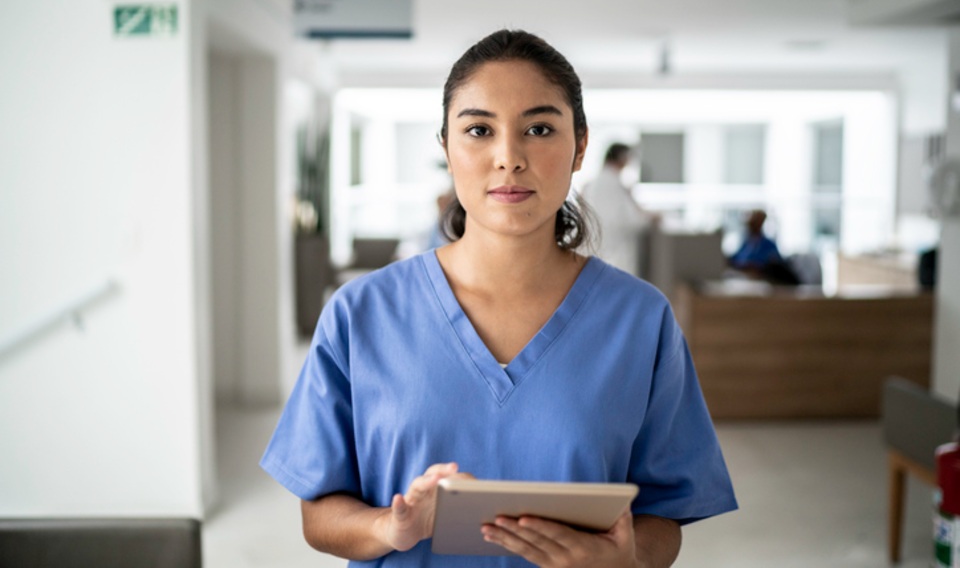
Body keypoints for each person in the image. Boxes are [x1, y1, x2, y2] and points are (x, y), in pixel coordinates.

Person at [260, 29, 737, 567]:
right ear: (446, 147)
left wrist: (625, 561)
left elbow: (663, 516)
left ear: (580, 146)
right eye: (479, 130)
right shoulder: (361, 313)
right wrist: (389, 527)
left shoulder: (640, 320)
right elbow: (319, 514)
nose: (508, 158)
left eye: (538, 129)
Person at [581, 143, 656, 277]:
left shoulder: (590, 185)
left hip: (593, 257)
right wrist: (651, 217)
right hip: (617, 258)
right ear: (622, 158)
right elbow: (634, 222)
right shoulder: (617, 186)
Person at [728, 209, 799, 285]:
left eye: (755, 221)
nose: (752, 225)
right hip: (743, 280)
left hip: (762, 283)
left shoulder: (769, 244)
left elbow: (775, 265)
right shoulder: (746, 243)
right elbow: (735, 259)